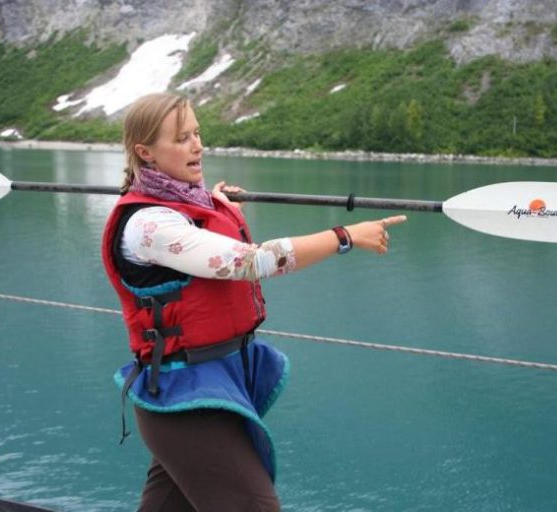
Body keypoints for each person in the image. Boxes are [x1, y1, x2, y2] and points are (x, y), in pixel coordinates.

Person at [102, 92, 407, 512]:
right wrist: (344, 236)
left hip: (209, 387)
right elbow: (251, 262)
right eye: (182, 138)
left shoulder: (185, 205)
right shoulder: (149, 226)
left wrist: (216, 204)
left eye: (198, 133)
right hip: (184, 399)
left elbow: (198, 232)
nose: (198, 145)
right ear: (146, 153)